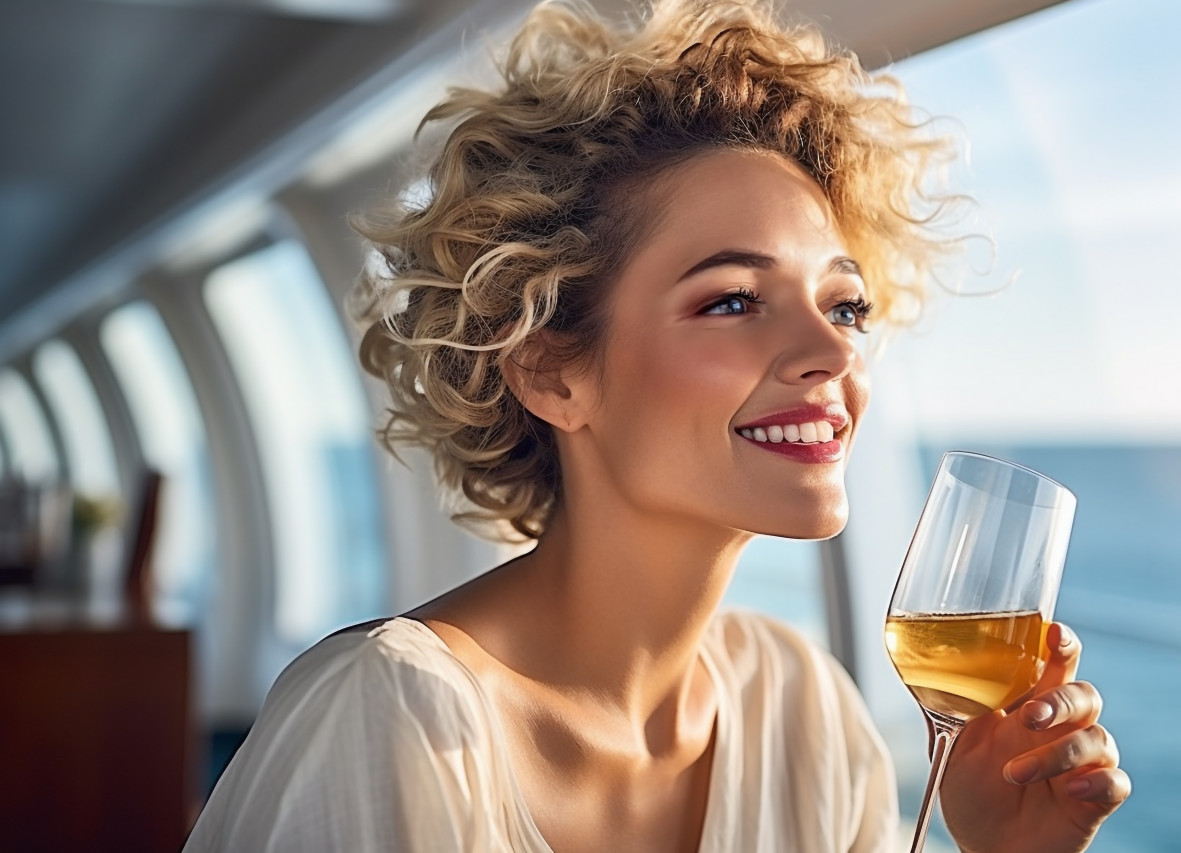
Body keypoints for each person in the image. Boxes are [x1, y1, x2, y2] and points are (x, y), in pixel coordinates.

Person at [184, 0, 1130, 850]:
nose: (835, 354)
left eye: (845, 307)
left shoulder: (804, 709)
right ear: (551, 371)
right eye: (730, 301)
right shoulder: (387, 717)